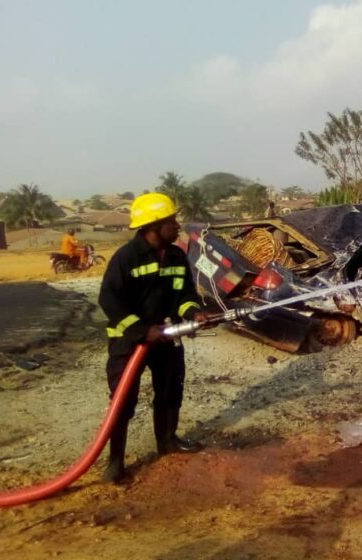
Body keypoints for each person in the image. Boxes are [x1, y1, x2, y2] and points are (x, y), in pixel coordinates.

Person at [98, 192, 211, 483]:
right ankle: (115, 462)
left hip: (167, 337)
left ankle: (167, 441)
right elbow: (109, 300)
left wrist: (194, 312)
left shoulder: (176, 255)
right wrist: (141, 330)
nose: (177, 226)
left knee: (171, 389)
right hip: (129, 341)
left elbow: (185, 293)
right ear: (152, 226)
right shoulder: (126, 257)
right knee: (123, 401)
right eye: (171, 221)